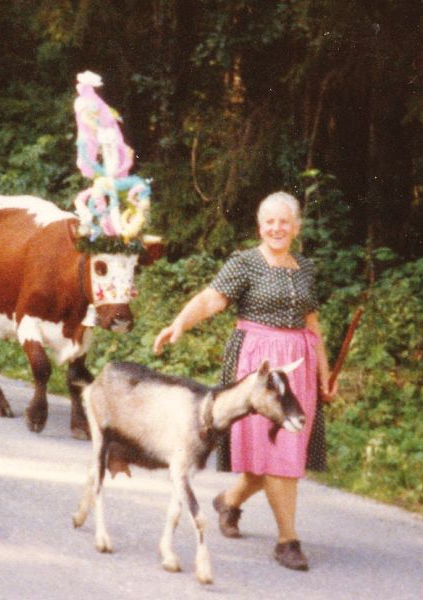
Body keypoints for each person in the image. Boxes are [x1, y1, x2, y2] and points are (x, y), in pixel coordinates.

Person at [153, 191, 337, 571]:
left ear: (296, 227)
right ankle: (288, 540)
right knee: (274, 454)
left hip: (298, 368)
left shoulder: (305, 267)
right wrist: (179, 324)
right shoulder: (246, 263)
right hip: (260, 369)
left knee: (275, 456)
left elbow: (312, 326)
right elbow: (210, 300)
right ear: (259, 226)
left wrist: (324, 374)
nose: (276, 228)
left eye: (284, 221)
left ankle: (229, 502)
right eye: (269, 221)